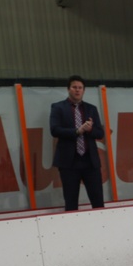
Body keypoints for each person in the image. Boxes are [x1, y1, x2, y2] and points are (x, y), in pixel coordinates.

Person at [50, 75, 105, 211]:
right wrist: (77, 131)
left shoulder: (91, 108)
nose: (77, 90)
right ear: (68, 89)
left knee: (98, 200)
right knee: (71, 202)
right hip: (69, 163)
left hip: (90, 162)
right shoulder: (58, 107)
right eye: (74, 87)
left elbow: (100, 133)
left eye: (80, 88)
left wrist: (90, 129)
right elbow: (54, 130)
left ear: (84, 91)